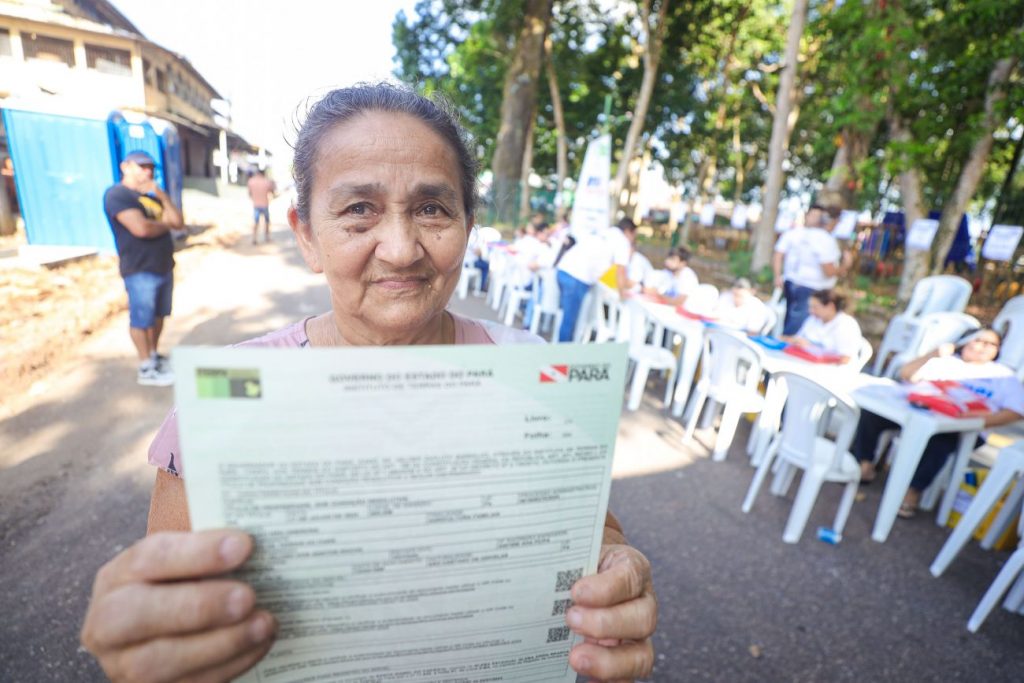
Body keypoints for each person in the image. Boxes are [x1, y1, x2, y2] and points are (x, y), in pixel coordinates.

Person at [80, 83, 657, 683]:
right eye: (359, 209)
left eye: (432, 209)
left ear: (468, 225)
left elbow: (590, 529)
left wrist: (615, 573)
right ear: (307, 235)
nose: (402, 250)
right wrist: (154, 642)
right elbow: (174, 601)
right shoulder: (222, 409)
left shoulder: (531, 372)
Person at [852, 328, 1024, 517]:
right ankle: (864, 465)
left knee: (940, 441)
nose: (983, 347)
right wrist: (934, 353)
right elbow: (906, 374)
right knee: (872, 414)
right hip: (918, 414)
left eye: (991, 344)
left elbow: (1016, 412)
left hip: (963, 428)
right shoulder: (946, 361)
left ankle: (912, 491)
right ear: (965, 341)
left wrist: (975, 420)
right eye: (979, 340)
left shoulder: (1003, 376)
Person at [102, 150, 183, 386]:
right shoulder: (117, 194)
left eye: (150, 167)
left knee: (158, 315)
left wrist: (163, 196)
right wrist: (165, 225)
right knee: (141, 319)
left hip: (163, 266)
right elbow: (141, 229)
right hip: (140, 269)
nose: (147, 171)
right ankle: (146, 366)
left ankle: (154, 355)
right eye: (141, 166)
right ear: (125, 167)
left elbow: (178, 223)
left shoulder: (153, 197)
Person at [772, 204, 852, 335]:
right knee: (795, 330)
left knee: (791, 324)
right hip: (810, 289)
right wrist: (845, 266)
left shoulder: (806, 234)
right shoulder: (823, 239)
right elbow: (828, 270)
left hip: (795, 284)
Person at [555, 218, 637, 342]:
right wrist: (622, 295)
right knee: (569, 321)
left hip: (563, 270)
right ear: (628, 231)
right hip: (577, 277)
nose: (633, 239)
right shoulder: (622, 242)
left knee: (567, 318)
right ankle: (561, 352)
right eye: (634, 235)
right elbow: (620, 270)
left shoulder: (605, 232)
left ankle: (561, 347)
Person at [782, 289, 864, 364]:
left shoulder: (846, 324)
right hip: (805, 363)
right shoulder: (813, 319)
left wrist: (811, 348)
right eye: (810, 307)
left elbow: (845, 359)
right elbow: (797, 339)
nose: (810, 311)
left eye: (815, 307)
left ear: (830, 307)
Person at [246, 168, 276, 244]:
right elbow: (272, 192)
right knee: (267, 221)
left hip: (256, 205)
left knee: (256, 222)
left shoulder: (251, 181)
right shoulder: (266, 181)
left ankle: (254, 238)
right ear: (263, 174)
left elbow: (249, 194)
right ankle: (267, 237)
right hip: (265, 204)